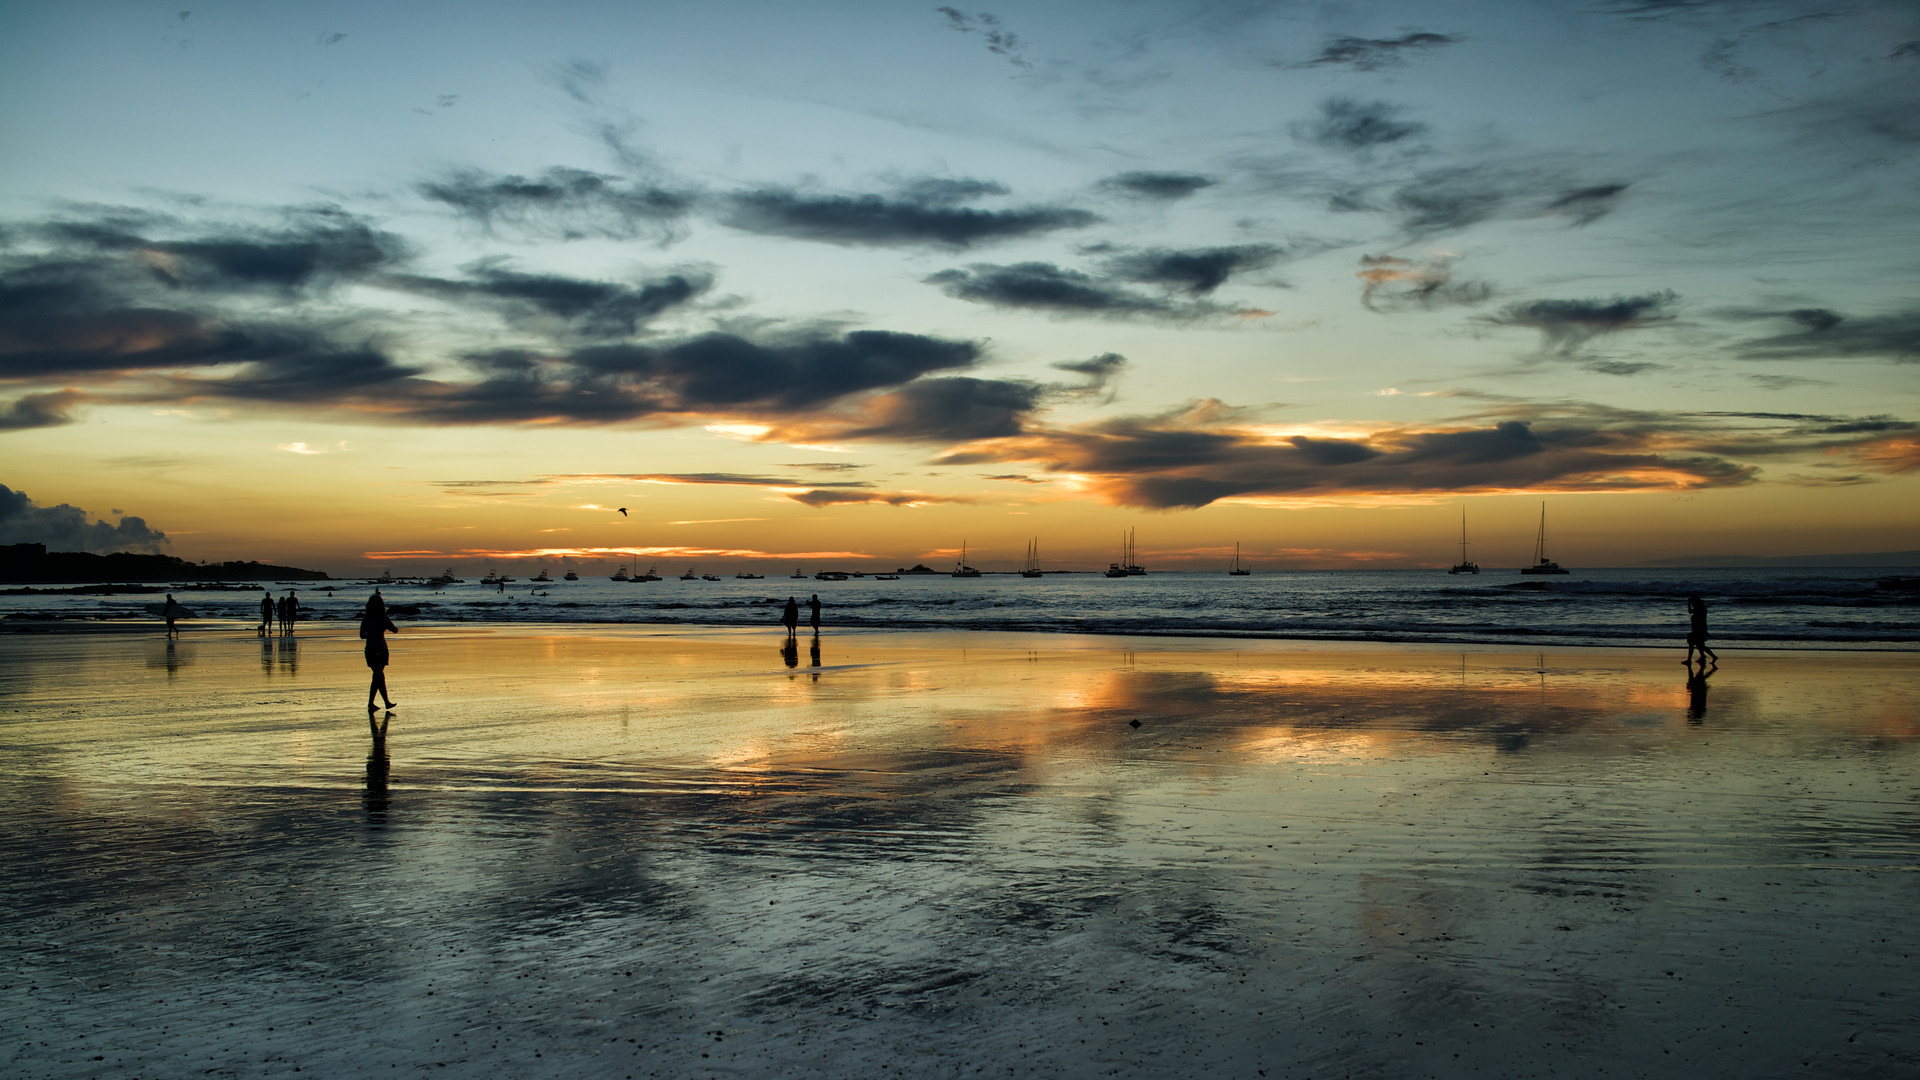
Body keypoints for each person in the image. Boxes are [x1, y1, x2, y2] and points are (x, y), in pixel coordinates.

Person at [359, 591, 399, 711]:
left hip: (382, 649)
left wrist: (389, 627)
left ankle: (371, 703)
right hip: (371, 649)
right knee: (379, 675)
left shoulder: (384, 618)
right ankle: (385, 701)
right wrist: (372, 633)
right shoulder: (367, 619)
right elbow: (362, 635)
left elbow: (395, 629)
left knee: (377, 677)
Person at [1685, 593, 1718, 667]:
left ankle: (1690, 660)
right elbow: (1690, 612)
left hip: (1699, 629)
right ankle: (1703, 657)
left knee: (1697, 645)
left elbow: (1702, 620)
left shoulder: (1701, 608)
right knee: (1699, 645)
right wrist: (1689, 603)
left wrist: (1705, 631)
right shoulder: (1698, 607)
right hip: (1697, 629)